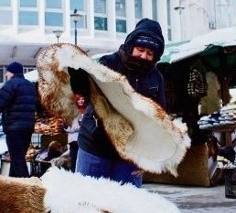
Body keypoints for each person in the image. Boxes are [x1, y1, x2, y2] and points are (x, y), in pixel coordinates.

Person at [74, 18, 166, 187]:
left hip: (131, 155)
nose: (144, 56)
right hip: (95, 147)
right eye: (141, 49)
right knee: (87, 201)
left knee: (126, 207)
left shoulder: (156, 78)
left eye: (150, 53)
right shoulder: (109, 63)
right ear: (132, 46)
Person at [64, 94, 86, 172]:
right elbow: (68, 128)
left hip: (84, 140)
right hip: (74, 141)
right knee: (74, 159)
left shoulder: (87, 111)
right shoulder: (72, 112)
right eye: (79, 99)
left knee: (82, 160)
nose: (81, 101)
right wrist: (79, 127)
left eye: (83, 99)